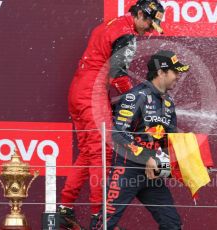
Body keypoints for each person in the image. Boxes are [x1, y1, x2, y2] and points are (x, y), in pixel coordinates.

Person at [57, 1, 165, 229]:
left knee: (88, 152)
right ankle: (100, 218)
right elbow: (118, 76)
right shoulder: (126, 35)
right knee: (102, 154)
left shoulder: (111, 24)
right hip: (91, 93)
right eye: (149, 23)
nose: (149, 30)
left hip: (78, 90)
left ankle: (64, 210)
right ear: (138, 14)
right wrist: (136, 99)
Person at [91, 50, 190, 230]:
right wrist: (147, 158)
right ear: (161, 72)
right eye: (175, 72)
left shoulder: (168, 103)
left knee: (172, 224)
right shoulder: (136, 96)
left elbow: (169, 141)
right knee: (105, 223)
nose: (178, 76)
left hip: (152, 173)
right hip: (127, 169)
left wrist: (184, 166)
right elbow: (118, 133)